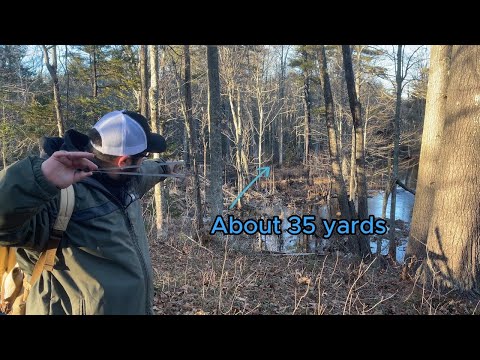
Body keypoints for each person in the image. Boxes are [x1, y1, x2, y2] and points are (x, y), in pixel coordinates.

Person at [0, 110, 176, 315]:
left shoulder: (126, 181)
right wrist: (41, 179)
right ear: (124, 161)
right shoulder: (57, 197)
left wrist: (165, 168)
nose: (143, 163)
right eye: (142, 157)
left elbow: (145, 172)